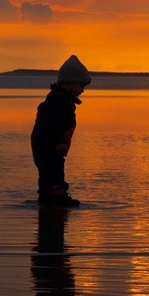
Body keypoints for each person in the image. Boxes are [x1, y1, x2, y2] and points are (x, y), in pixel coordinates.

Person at [31, 55, 90, 206]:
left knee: (47, 171)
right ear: (70, 83)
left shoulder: (59, 98)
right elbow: (54, 122)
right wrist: (58, 142)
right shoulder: (59, 100)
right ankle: (57, 197)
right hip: (48, 144)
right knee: (54, 169)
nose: (82, 90)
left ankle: (46, 196)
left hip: (44, 143)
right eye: (81, 86)